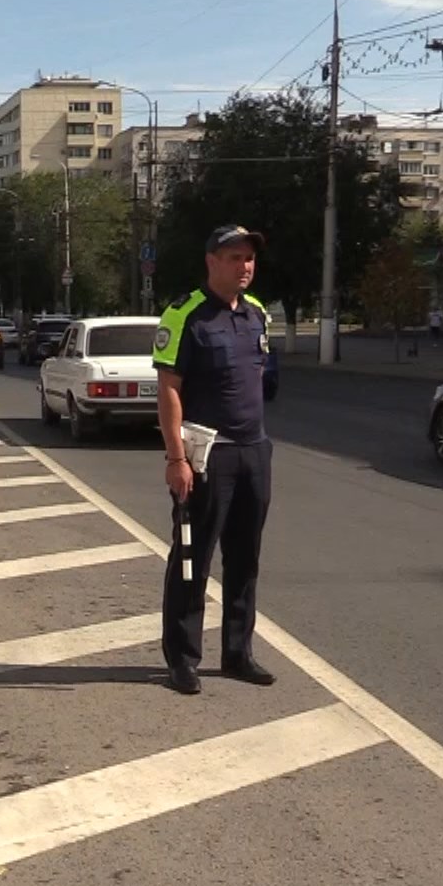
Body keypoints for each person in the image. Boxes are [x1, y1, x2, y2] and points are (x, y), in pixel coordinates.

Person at [152, 225, 277, 695]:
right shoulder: (185, 315)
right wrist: (176, 458)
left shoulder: (258, 314)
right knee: (192, 558)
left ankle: (237, 653)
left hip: (255, 450)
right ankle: (182, 658)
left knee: (245, 559)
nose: (244, 266)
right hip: (207, 456)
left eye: (248, 258)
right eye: (234, 258)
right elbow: (169, 390)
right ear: (211, 261)